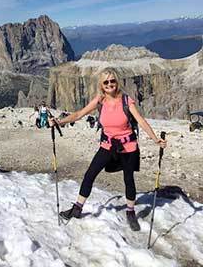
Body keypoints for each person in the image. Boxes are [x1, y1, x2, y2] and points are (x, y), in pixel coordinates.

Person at [50, 67, 167, 231]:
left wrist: (156, 139)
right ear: (101, 85)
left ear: (117, 82)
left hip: (128, 146)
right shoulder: (100, 100)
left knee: (128, 179)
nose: (110, 84)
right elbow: (79, 114)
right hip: (107, 145)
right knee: (90, 174)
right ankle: (77, 208)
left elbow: (141, 121)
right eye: (106, 82)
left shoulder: (127, 101)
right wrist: (58, 122)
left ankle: (130, 212)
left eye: (112, 81)